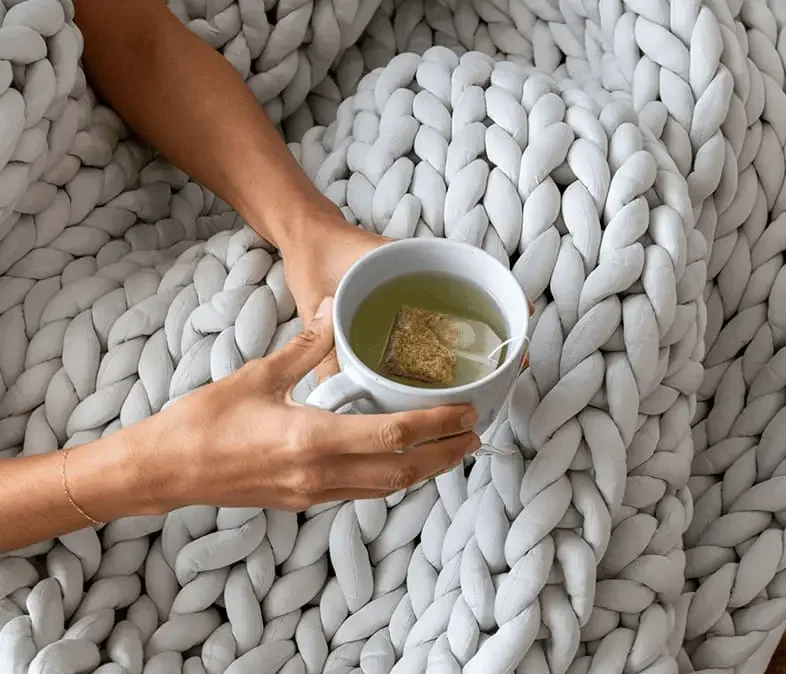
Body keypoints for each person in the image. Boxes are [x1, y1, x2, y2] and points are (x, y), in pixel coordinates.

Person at [0, 0, 482, 553]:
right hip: (69, 481)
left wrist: (305, 225)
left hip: (177, 186)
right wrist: (154, 473)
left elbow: (137, 38)